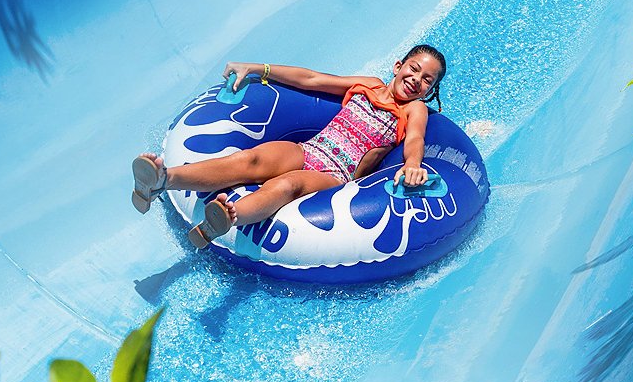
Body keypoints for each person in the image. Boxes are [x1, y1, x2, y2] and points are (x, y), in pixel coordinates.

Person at [132, 44, 447, 249]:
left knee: (289, 184)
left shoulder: (413, 110)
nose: (417, 79)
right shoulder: (367, 84)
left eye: (427, 80)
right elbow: (310, 79)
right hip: (309, 149)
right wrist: (257, 68)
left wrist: (413, 165)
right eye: (414, 68)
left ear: (430, 90)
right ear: (397, 66)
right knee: (250, 160)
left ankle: (227, 217)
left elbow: (416, 138)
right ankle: (163, 179)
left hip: (336, 173)